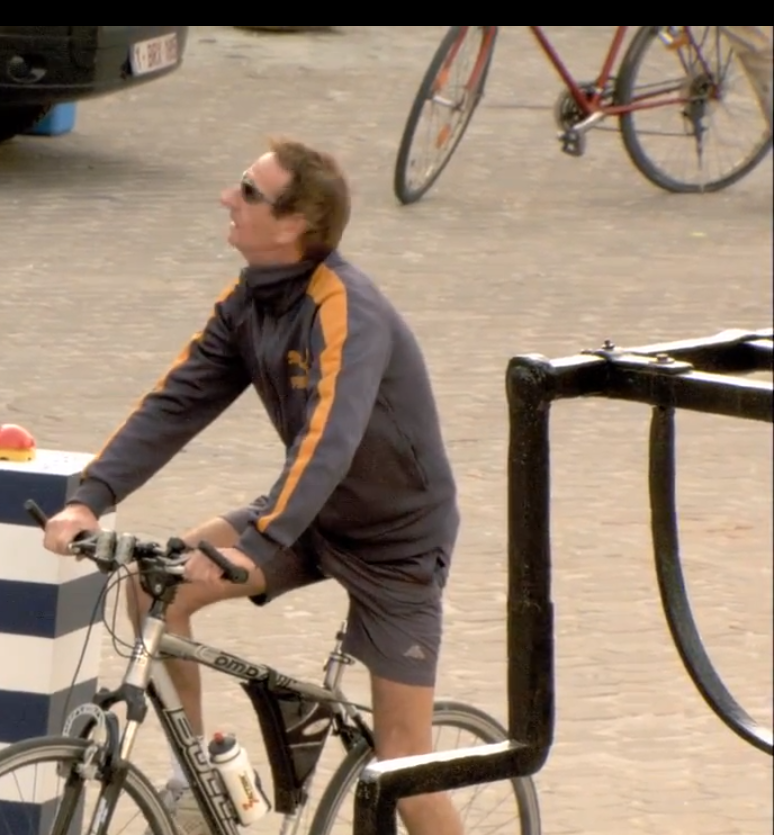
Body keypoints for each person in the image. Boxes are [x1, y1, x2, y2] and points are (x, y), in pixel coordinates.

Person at [42, 138, 466, 835]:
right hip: (308, 518)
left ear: (294, 222)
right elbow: (176, 402)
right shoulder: (251, 299)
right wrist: (89, 498)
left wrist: (259, 541)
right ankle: (194, 785)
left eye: (247, 189)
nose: (226, 198)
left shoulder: (347, 307)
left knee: (404, 769)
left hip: (396, 544)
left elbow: (330, 439)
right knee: (153, 585)